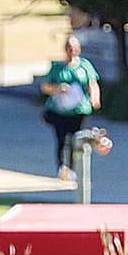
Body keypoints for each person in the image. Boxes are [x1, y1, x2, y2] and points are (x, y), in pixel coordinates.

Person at [41, 35, 101, 182]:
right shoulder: (57, 68)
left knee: (76, 140)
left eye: (75, 48)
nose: (72, 51)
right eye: (69, 48)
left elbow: (92, 83)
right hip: (60, 111)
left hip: (78, 110)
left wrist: (95, 98)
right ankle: (62, 168)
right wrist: (57, 88)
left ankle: (73, 169)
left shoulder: (85, 65)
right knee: (61, 139)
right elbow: (45, 87)